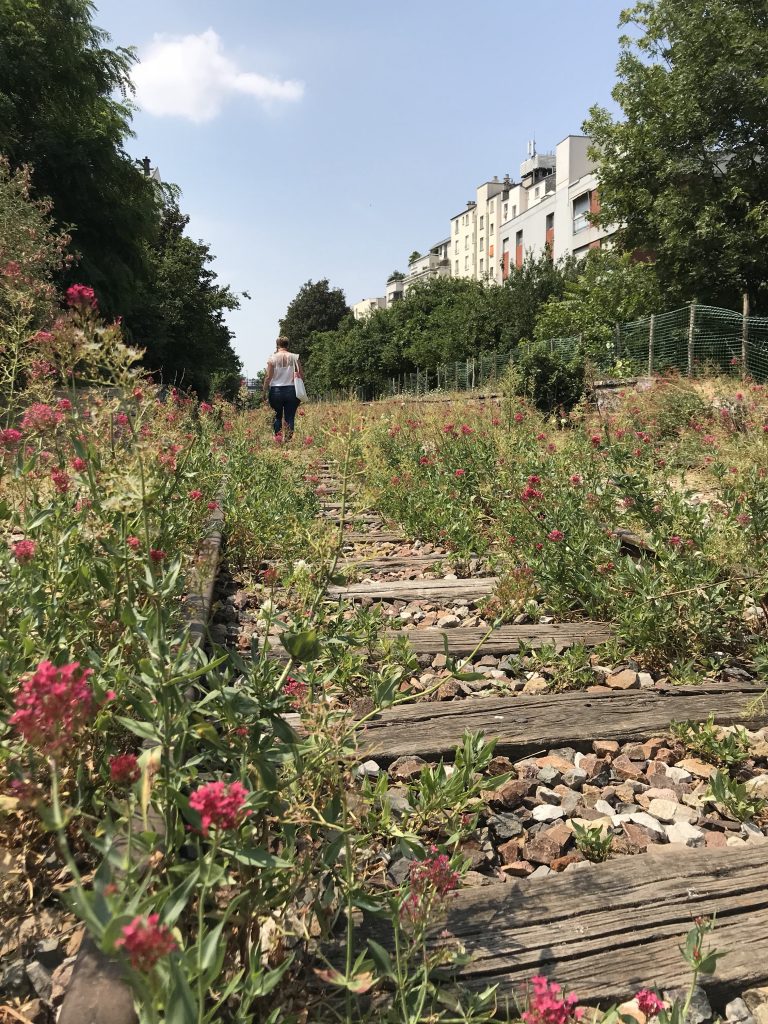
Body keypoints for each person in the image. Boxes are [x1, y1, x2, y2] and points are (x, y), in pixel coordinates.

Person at [263, 336, 303, 439]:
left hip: (276, 391)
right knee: (290, 417)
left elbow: (268, 377)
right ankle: (288, 441)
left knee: (277, 417)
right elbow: (301, 375)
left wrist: (264, 391)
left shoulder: (272, 358)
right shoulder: (294, 357)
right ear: (287, 345)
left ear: (277, 345)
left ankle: (278, 439)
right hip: (291, 390)